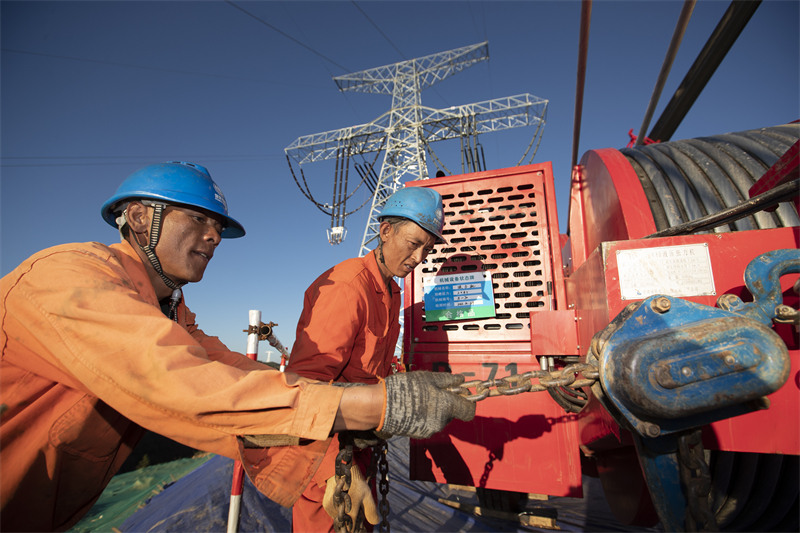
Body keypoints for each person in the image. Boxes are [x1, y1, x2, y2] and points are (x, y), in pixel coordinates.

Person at [0, 162, 475, 532]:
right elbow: (185, 383)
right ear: (141, 217)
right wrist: (370, 411)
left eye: (217, 226)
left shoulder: (170, 312)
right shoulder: (69, 277)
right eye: (198, 219)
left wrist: (364, 414)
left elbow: (238, 375)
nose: (213, 236)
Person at [275, 186, 447, 532]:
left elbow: (374, 368)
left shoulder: (391, 290)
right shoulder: (347, 286)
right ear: (386, 231)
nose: (418, 258)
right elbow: (306, 386)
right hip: (324, 453)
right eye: (413, 244)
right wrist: (335, 469)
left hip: (358, 443)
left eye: (427, 250)